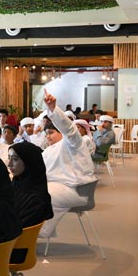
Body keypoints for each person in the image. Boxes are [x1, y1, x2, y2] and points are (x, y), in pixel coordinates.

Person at [39, 90, 96, 239]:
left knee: (40, 196)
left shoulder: (74, 143)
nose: (48, 137)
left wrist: (53, 109)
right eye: (46, 133)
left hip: (77, 190)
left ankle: (35, 233)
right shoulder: (47, 151)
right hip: (56, 187)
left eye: (51, 132)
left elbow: (70, 130)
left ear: (61, 132)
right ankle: (28, 233)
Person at [8, 142, 54, 231]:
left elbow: (14, 230)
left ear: (29, 162)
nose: (9, 164)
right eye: (9, 158)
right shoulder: (17, 184)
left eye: (15, 159)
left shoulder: (36, 199)